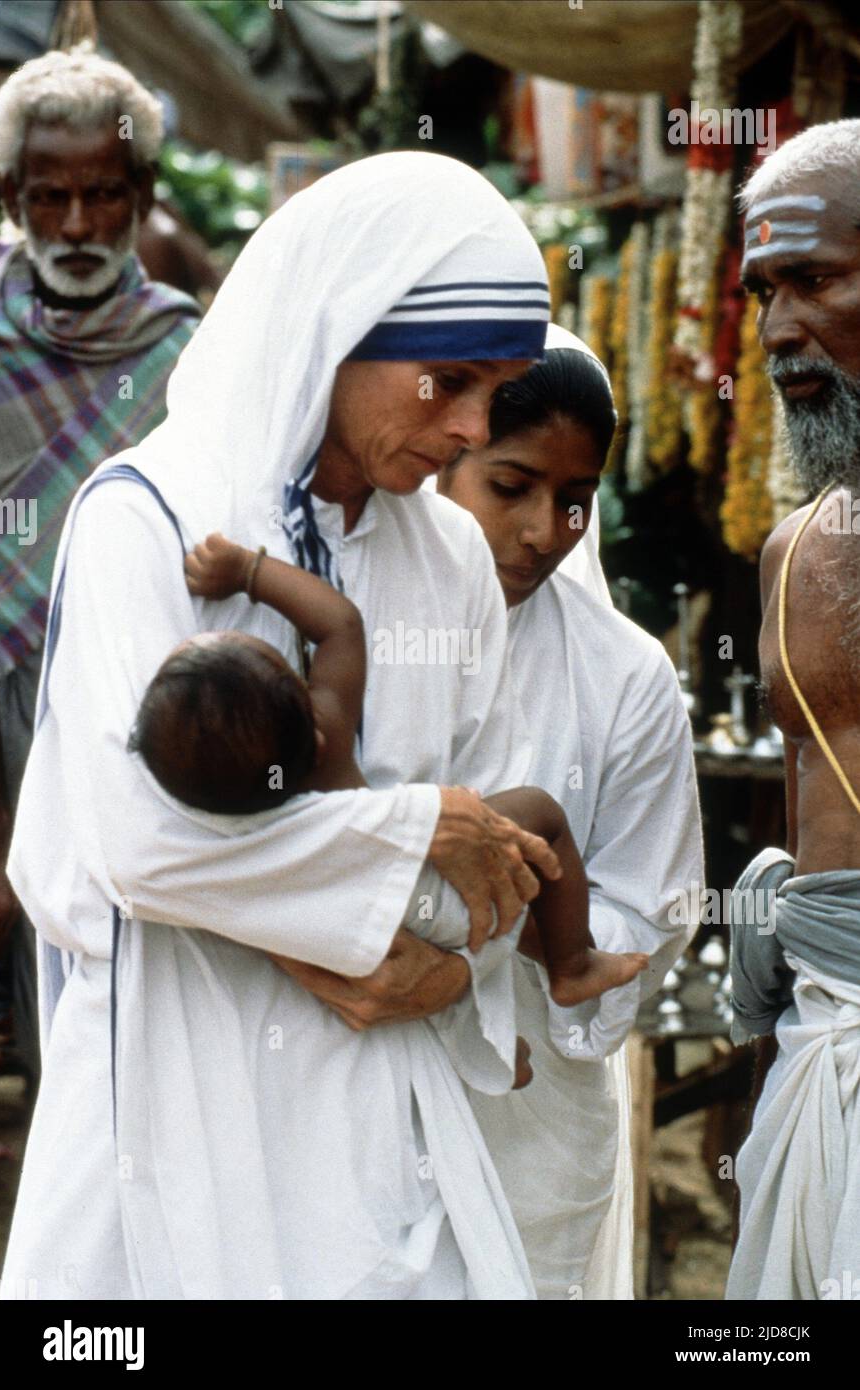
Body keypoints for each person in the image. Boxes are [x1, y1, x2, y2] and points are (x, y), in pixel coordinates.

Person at [2, 150, 565, 1301]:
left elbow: (501, 836)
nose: (469, 427)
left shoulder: (449, 552)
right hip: (178, 1072)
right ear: (336, 327)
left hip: (384, 1095)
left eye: (496, 392)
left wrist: (449, 976)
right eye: (446, 379)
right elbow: (138, 844)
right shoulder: (147, 518)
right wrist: (411, 840)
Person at [437, 327, 703, 1298]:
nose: (547, 530)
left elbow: (657, 908)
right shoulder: (356, 633)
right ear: (443, 459)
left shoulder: (626, 674)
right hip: (364, 1095)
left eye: (576, 500)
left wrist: (520, 928)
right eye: (511, 487)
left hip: (537, 1126)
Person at [130, 531, 647, 1002]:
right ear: (312, 729)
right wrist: (249, 572)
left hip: (351, 930)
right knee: (541, 813)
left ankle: (502, 1050)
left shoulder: (228, 823)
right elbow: (341, 625)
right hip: (434, 895)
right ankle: (573, 965)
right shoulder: (328, 738)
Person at [0, 46, 200, 1082]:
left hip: (116, 701)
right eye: (50, 197)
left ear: (142, 195)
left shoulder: (188, 354)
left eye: (102, 197)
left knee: (90, 976)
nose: (77, 226)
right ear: (8, 194)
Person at [726, 119, 860, 1300]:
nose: (775, 332)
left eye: (813, 280)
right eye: (763, 291)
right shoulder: (794, 549)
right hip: (818, 1057)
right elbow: (810, 789)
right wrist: (781, 904)